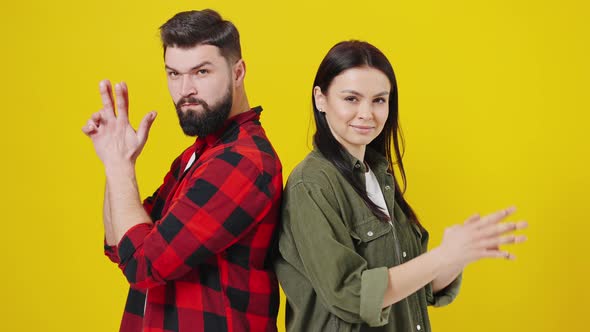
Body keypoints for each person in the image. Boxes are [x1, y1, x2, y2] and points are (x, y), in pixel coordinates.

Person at [274, 40, 528, 332]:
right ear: (321, 98)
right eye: (351, 99)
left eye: (379, 100)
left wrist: (458, 254)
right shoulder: (312, 184)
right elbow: (351, 295)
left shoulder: (378, 176)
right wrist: (441, 257)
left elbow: (418, 287)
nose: (367, 113)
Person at [81, 9, 282, 332]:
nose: (185, 89)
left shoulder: (244, 161)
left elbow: (144, 264)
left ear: (238, 72)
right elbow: (121, 245)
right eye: (174, 73)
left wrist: (120, 169)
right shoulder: (197, 155)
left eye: (201, 72)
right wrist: (115, 161)